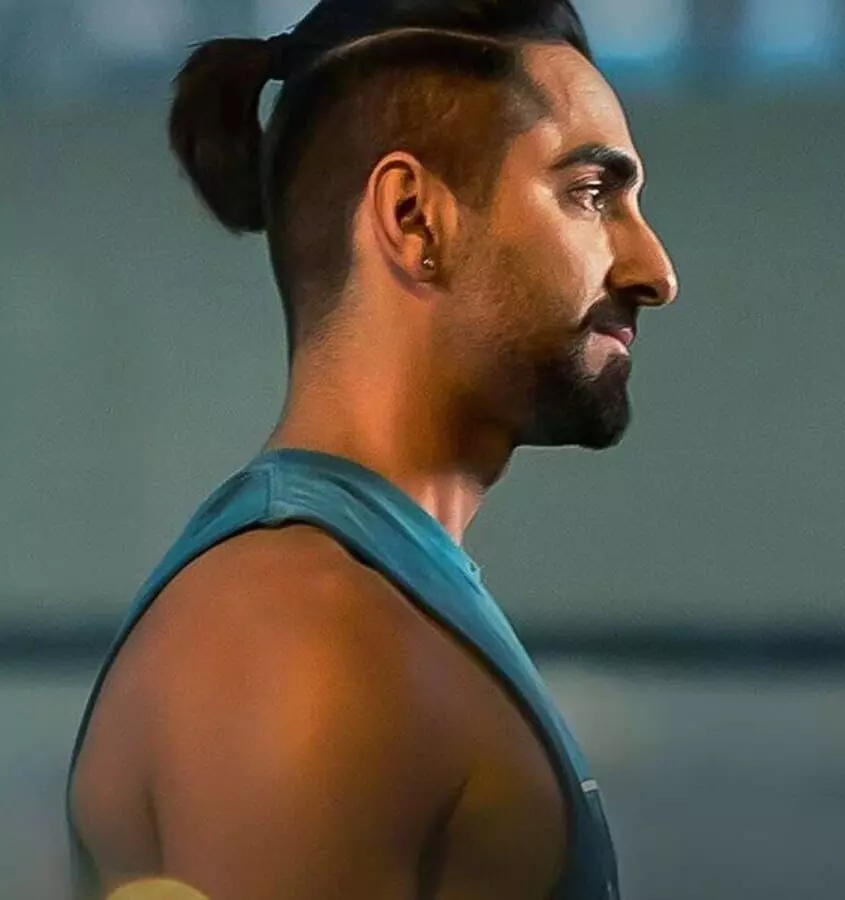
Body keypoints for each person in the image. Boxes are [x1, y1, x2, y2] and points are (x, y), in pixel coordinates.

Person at [66, 1, 676, 898]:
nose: (655, 271)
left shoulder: (362, 601)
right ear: (414, 218)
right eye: (590, 194)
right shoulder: (303, 638)